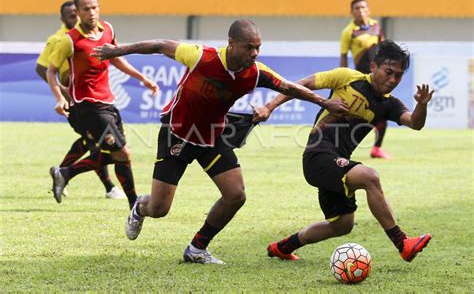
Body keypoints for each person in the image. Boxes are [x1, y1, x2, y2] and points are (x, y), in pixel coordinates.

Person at [91, 19, 349, 264]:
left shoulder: (256, 72)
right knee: (159, 209)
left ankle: (197, 248)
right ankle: (140, 207)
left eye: (258, 46)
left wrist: (324, 102)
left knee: (236, 195)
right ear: (232, 43)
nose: (255, 52)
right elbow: (160, 45)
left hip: (213, 137)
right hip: (177, 133)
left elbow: (290, 87)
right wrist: (117, 51)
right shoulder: (201, 56)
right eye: (249, 47)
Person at [256, 40, 433, 263]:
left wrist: (422, 105)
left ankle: (283, 247)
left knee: (342, 225)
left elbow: (415, 123)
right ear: (373, 67)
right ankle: (402, 242)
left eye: (398, 76)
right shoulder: (347, 77)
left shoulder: (389, 104)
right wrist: (269, 107)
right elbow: (300, 85)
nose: (393, 80)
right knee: (370, 177)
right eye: (389, 72)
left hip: (337, 162)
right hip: (317, 156)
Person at [46, 0, 158, 209]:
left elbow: (115, 58)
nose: (92, 13)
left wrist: (142, 78)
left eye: (95, 7)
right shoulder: (69, 41)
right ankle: (134, 204)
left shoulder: (108, 30)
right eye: (86, 9)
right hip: (88, 107)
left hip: (108, 103)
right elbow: (51, 71)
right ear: (77, 12)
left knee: (119, 155)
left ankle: (66, 172)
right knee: (122, 153)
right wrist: (59, 98)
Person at [36, 0, 124, 200]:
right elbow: (44, 69)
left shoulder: (94, 33)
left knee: (91, 142)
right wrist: (61, 92)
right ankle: (108, 186)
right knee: (97, 144)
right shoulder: (59, 40)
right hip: (75, 103)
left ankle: (63, 173)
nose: (75, 18)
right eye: (71, 16)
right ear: (63, 18)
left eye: (77, 14)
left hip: (91, 99)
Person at [340, 0, 389, 159]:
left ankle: (377, 148)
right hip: (362, 78)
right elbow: (344, 57)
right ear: (351, 12)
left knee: (384, 109)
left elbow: (383, 49)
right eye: (356, 8)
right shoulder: (349, 32)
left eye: (363, 8)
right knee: (355, 113)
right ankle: (342, 146)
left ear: (368, 10)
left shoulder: (376, 26)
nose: (360, 11)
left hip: (379, 78)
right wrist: (343, 77)